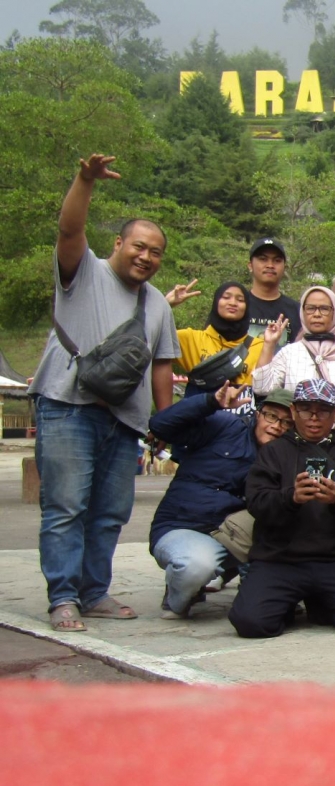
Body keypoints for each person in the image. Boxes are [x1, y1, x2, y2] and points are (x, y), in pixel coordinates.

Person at [31, 153, 181, 632]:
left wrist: (164, 423)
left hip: (124, 421)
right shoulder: (86, 272)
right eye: (139, 246)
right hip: (67, 408)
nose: (146, 257)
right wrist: (85, 180)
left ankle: (94, 591)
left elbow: (162, 366)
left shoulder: (157, 305)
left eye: (155, 252)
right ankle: (63, 596)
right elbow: (69, 230)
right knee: (66, 507)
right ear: (118, 243)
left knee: (110, 513)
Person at [227, 379, 335, 639]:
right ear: (293, 411)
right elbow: (256, 503)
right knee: (249, 623)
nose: (314, 418)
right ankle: (287, 605)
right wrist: (291, 498)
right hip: (279, 559)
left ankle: (319, 602)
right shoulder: (273, 452)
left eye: (322, 411)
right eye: (305, 410)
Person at [149, 384, 295, 618]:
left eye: (287, 423)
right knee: (194, 567)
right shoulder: (225, 425)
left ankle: (259, 589)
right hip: (184, 526)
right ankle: (178, 594)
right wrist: (209, 402)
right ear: (258, 414)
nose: (277, 426)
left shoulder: (287, 455)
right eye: (271, 416)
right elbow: (160, 425)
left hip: (235, 537)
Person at [252, 286, 335, 448]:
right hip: (297, 439)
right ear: (302, 312)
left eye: (324, 309)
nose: (317, 314)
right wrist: (269, 344)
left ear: (334, 312)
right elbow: (262, 388)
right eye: (311, 308)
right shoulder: (290, 353)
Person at [174, 281, 264, 411]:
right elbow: (150, 339)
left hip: (239, 419)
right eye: (226, 297)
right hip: (199, 417)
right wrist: (167, 304)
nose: (233, 303)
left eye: (240, 300)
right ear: (216, 302)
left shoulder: (260, 347)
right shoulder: (191, 339)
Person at [246, 237, 301, 347]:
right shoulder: (236, 306)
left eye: (277, 260)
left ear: (284, 267)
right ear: (250, 266)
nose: (270, 265)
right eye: (263, 259)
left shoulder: (297, 311)